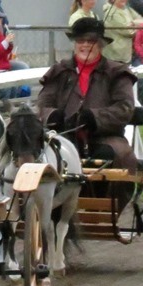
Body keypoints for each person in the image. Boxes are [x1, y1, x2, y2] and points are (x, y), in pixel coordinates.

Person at [39, 17, 138, 243]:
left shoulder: (117, 72)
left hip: (105, 135)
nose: (85, 45)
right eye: (81, 41)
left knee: (118, 156)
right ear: (74, 43)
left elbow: (125, 108)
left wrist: (95, 117)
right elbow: (43, 104)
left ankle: (103, 209)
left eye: (91, 42)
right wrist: (52, 115)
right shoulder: (60, 71)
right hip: (63, 137)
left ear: (101, 45)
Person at [101, 0, 143, 65]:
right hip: (116, 57)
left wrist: (133, 23)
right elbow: (129, 32)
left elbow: (141, 20)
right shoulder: (111, 13)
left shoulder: (127, 9)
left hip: (126, 54)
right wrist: (137, 25)